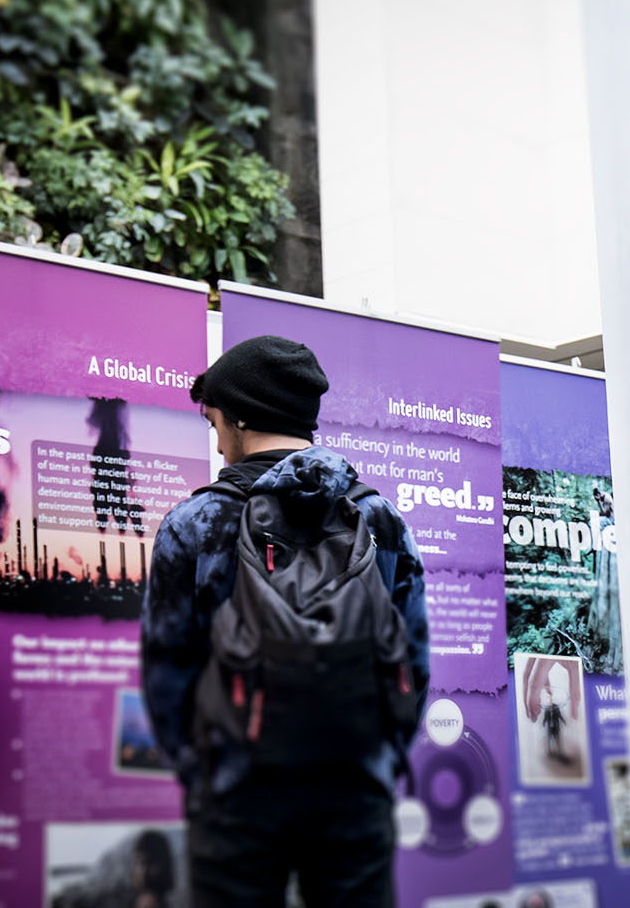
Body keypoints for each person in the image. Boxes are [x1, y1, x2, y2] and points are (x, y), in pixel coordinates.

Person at [142, 335, 428, 907]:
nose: (219, 442)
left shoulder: (193, 524)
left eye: (216, 422)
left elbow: (169, 673)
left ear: (241, 419)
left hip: (238, 795)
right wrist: (378, 764)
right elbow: (411, 661)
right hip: (353, 789)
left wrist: (204, 778)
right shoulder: (381, 519)